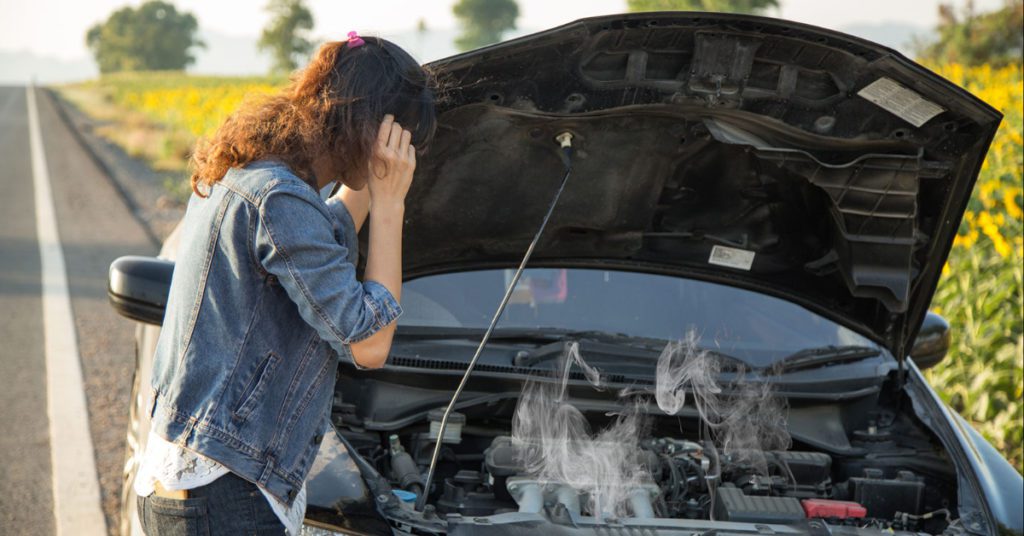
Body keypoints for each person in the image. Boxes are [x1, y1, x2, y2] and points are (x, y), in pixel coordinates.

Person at [133, 32, 436, 535]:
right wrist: (390, 204)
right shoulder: (280, 198)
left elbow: (321, 234)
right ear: (369, 125)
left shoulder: (256, 174)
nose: (403, 154)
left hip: (196, 485)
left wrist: (372, 185)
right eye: (399, 136)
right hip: (225, 495)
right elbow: (370, 343)